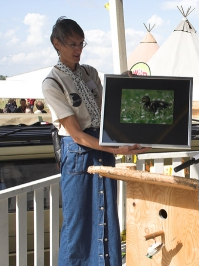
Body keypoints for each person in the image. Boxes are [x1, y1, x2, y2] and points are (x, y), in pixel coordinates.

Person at [42, 17, 150, 266]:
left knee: (106, 215)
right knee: (77, 223)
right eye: (72, 44)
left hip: (101, 145)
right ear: (56, 44)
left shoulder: (89, 72)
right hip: (78, 150)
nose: (78, 49)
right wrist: (117, 148)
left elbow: (109, 107)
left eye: (81, 43)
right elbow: (77, 134)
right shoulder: (52, 82)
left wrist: (124, 81)